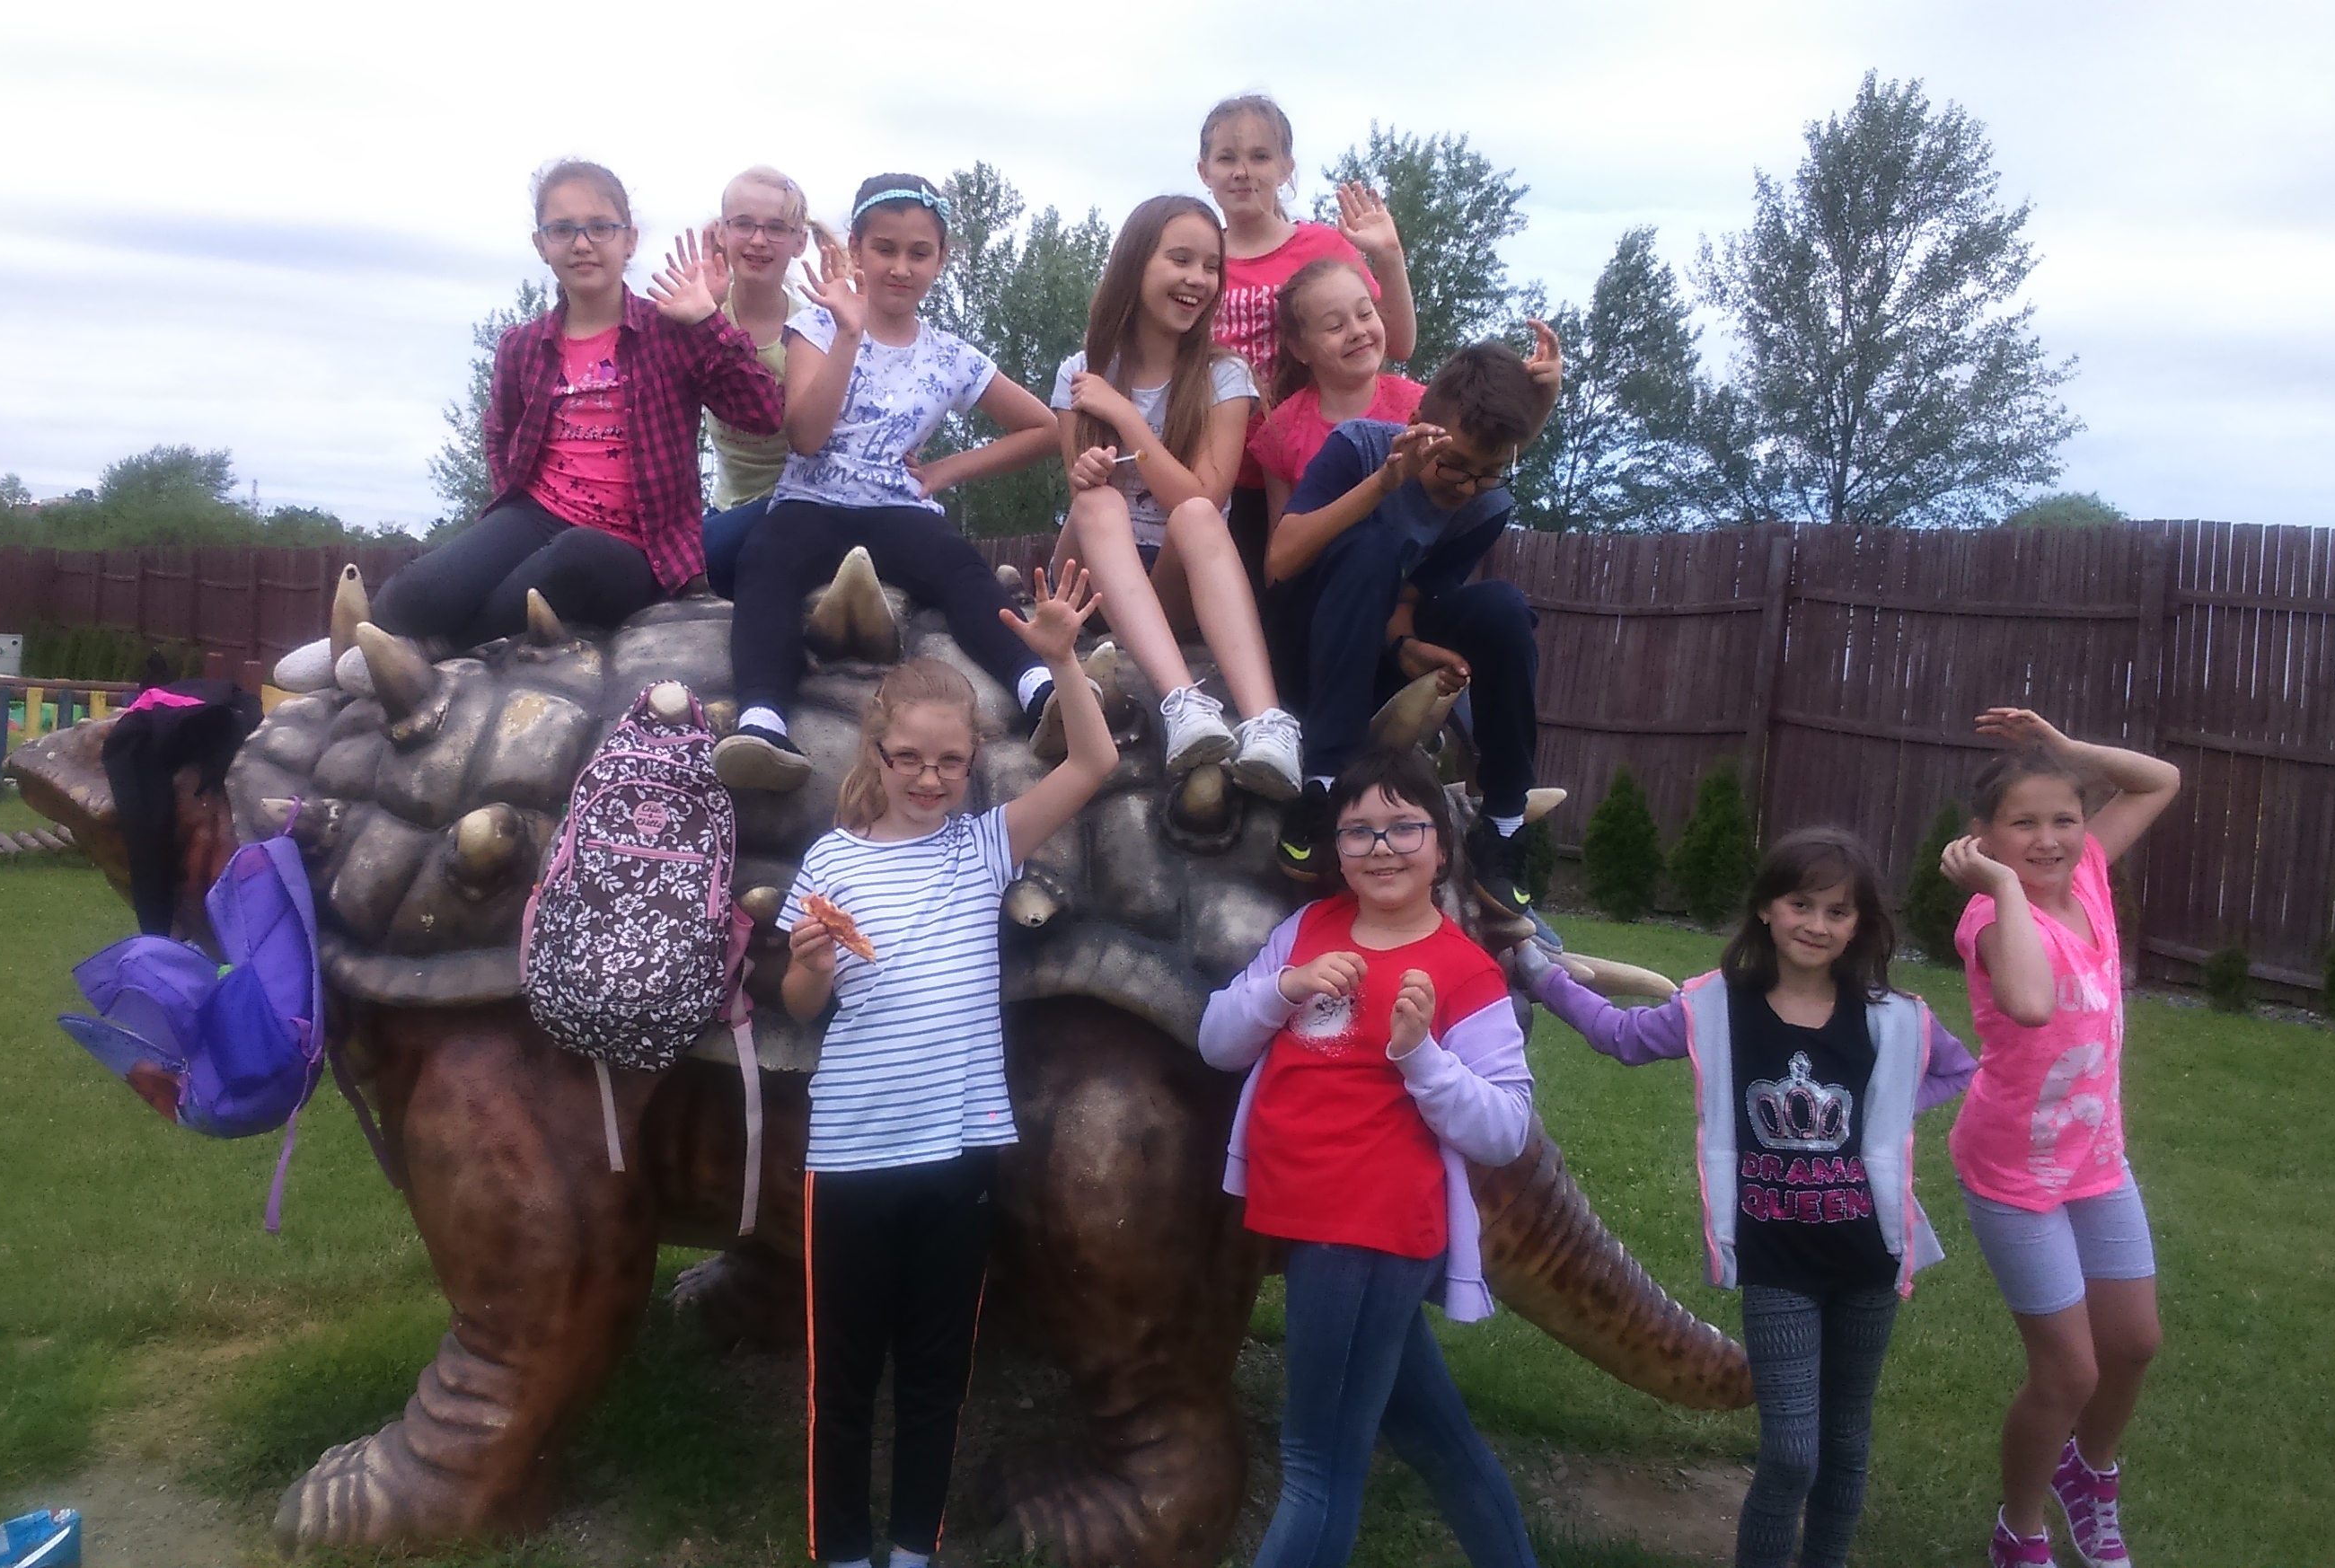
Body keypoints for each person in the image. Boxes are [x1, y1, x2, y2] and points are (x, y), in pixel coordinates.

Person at [775, 568, 1117, 1568]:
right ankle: (843, 1552)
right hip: (848, 1153)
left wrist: (1062, 661)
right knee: (842, 1377)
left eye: (950, 763)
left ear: (973, 764)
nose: (929, 779)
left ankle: (910, 1550)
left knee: (935, 1372)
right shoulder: (831, 864)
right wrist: (809, 966)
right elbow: (801, 1007)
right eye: (910, 760)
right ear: (875, 755)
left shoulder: (983, 848)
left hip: (957, 1153)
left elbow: (1093, 762)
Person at [1523, 827, 1979, 1568]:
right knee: (1792, 1451)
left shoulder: (1895, 1018)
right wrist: (1538, 973)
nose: (1817, 924)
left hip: (1868, 1257)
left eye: (1838, 911)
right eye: (1801, 904)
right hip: (1776, 1261)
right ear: (1766, 907)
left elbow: (1960, 1070)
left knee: (1844, 1441)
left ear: (1858, 925)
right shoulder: (1717, 1007)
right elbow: (1620, 1036)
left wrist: (1883, 1116)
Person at [1197, 744, 1541, 1568]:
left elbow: (1506, 1128)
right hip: (1306, 1217)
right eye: (1358, 831)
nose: (1381, 847)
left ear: (1441, 848)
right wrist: (1284, 988)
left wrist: (1421, 1056)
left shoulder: (1465, 973)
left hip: (1368, 1232)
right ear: (1338, 849)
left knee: (1316, 1468)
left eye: (1404, 827)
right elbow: (1217, 1042)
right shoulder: (1306, 931)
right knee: (1433, 1434)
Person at [712, 173, 1064, 792]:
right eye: (885, 249)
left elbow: (1043, 428)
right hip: (812, 500)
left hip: (899, 508)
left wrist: (946, 470)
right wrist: (849, 333)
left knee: (960, 568)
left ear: (941, 259)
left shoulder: (951, 355)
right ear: (856, 249)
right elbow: (806, 438)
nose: (901, 267)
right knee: (765, 561)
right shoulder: (817, 328)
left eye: (919, 253)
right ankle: (763, 721)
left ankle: (1039, 689)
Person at [1938, 709, 2181, 1568]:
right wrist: (2003, 889)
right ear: (1984, 838)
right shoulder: (1989, 920)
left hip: (2097, 1159)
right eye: (2024, 824)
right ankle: (2021, 1527)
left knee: (2134, 1344)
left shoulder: (2089, 879)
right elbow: (2032, 1003)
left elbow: (2160, 780)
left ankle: (2090, 1471)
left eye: (2065, 819)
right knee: (2069, 1373)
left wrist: (2068, 751)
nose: (2048, 840)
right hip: (2014, 1174)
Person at [371, 159, 780, 647]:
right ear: (541, 245)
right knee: (412, 596)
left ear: (629, 241)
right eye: (562, 230)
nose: (582, 244)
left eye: (600, 228)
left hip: (637, 545)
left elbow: (762, 414)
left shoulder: (670, 330)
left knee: (577, 556)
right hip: (536, 515)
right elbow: (500, 432)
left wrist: (710, 322)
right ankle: (393, 635)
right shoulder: (522, 346)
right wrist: (508, 512)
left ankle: (452, 645)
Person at [1260, 339, 1562, 921]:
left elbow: (1411, 594)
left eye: (1488, 474)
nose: (1466, 487)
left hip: (1374, 652)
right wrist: (1384, 483)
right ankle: (1325, 786)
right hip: (1304, 645)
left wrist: (1406, 648)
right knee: (1371, 545)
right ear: (1418, 422)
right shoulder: (1357, 447)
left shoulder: (1487, 504)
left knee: (1504, 607)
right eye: (1454, 466)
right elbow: (1281, 561)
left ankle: (1503, 820)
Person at [1049, 194, 1298, 795]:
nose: (1198, 279)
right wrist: (1087, 470)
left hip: (1174, 578)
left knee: (1196, 514)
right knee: (1097, 500)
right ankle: (1182, 702)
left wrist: (1127, 419)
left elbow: (1205, 493)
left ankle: (1268, 724)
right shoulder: (1083, 372)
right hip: (1097, 579)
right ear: (1136, 262)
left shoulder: (1224, 376)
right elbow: (1081, 491)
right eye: (1180, 260)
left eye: (1211, 266)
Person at [1194, 92, 1419, 586]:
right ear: (1204, 171)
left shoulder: (1322, 246)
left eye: (1260, 156)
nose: (1242, 171)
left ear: (1286, 168)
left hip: (1307, 470)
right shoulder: (1197, 259)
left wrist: (1389, 257)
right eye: (1227, 158)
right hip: (1217, 474)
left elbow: (1398, 344)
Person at [700, 166, 843, 600]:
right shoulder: (702, 315)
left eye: (776, 228)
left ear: (800, 241)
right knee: (687, 558)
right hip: (728, 511)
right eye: (743, 224)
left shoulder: (817, 330)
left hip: (801, 505)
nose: (758, 240)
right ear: (721, 232)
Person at [1247, 259, 1429, 522]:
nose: (1357, 331)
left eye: (1365, 314)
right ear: (1299, 348)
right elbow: (1282, 538)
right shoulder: (1280, 432)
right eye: (1335, 326)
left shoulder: (1422, 405)